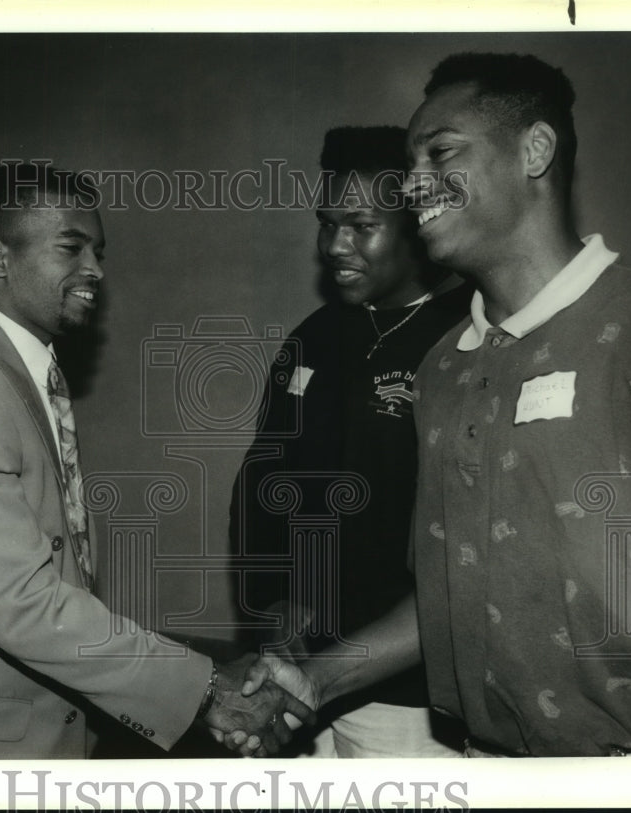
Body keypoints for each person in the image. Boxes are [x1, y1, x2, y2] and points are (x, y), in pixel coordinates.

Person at [239, 52, 631, 758]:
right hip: (482, 762)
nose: (413, 183)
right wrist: (316, 678)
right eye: (410, 163)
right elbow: (448, 598)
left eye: (441, 153)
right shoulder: (445, 370)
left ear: (535, 150)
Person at [0, 162, 313, 759]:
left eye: (99, 250)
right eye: (72, 248)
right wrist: (208, 688)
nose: (96, 270)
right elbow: (25, 603)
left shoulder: (20, 377)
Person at [229, 126, 472, 757]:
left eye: (361, 224)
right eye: (327, 222)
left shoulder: (465, 340)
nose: (336, 244)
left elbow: (457, 540)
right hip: (294, 679)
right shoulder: (312, 337)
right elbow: (262, 484)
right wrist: (272, 604)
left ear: (415, 222)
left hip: (405, 700)